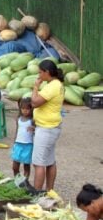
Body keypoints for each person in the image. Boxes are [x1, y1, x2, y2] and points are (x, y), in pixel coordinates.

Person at [30, 59, 65, 191]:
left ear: (47, 72)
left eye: (40, 73)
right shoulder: (56, 84)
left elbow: (34, 103)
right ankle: (49, 191)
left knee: (38, 163)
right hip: (51, 126)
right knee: (50, 161)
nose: (39, 76)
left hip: (46, 128)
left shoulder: (52, 86)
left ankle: (37, 193)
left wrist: (35, 87)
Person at [8, 97, 35, 178]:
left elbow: (37, 131)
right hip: (18, 144)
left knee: (26, 166)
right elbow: (17, 130)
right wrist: (14, 142)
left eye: (27, 109)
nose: (25, 110)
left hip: (28, 145)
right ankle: (17, 180)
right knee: (15, 166)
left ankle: (25, 181)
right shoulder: (18, 119)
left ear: (31, 109)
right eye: (23, 108)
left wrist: (34, 129)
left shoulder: (32, 120)